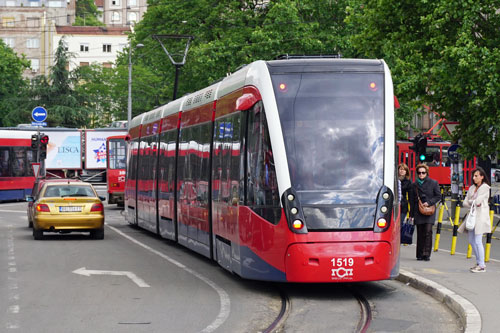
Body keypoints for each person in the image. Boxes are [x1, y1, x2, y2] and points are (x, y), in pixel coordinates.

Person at [458, 167, 491, 273]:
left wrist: (472, 201)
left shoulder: (485, 187)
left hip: (481, 217)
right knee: (471, 240)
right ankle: (478, 262)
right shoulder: (472, 187)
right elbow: (464, 202)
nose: (474, 178)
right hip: (472, 217)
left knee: (478, 241)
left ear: (482, 177)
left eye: (476, 176)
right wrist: (473, 201)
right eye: (473, 176)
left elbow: (477, 201)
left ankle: (482, 265)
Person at [410, 163, 441, 261]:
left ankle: (426, 254)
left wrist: (429, 202)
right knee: (420, 232)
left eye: (423, 173)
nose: (421, 175)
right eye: (419, 173)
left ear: (427, 173)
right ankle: (419, 254)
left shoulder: (433, 183)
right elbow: (411, 200)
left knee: (428, 231)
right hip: (418, 211)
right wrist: (411, 214)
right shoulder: (414, 185)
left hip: (429, 211)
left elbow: (438, 196)